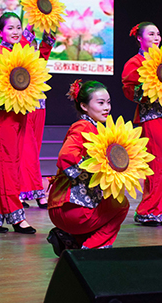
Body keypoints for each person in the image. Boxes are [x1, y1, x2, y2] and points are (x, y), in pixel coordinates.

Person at [0, 12, 54, 234]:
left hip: (22, 114)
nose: (15, 31)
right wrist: (2, 86)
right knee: (8, 163)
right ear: (0, 32)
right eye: (10, 28)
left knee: (9, 164)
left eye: (18, 27)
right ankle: (17, 216)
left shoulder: (24, 53)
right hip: (3, 116)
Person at [46, 80, 129, 256]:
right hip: (71, 207)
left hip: (65, 206)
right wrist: (93, 169)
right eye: (101, 103)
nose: (107, 108)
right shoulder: (84, 126)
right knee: (121, 204)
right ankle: (90, 251)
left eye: (108, 102)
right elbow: (66, 156)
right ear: (84, 106)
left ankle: (69, 239)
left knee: (107, 201)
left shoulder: (95, 128)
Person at [122, 22, 162, 226]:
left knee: (158, 165)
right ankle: (146, 210)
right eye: (151, 34)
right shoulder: (135, 62)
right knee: (161, 163)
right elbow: (130, 90)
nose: (156, 38)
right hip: (150, 116)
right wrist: (148, 88)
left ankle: (155, 212)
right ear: (139, 38)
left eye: (158, 34)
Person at [18, 30, 48, 209]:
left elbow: (46, 47)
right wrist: (29, 26)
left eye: (35, 47)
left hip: (40, 110)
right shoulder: (19, 64)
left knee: (34, 153)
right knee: (27, 153)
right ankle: (37, 192)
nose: (34, 50)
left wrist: (48, 26)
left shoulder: (39, 64)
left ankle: (23, 192)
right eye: (30, 47)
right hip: (25, 111)